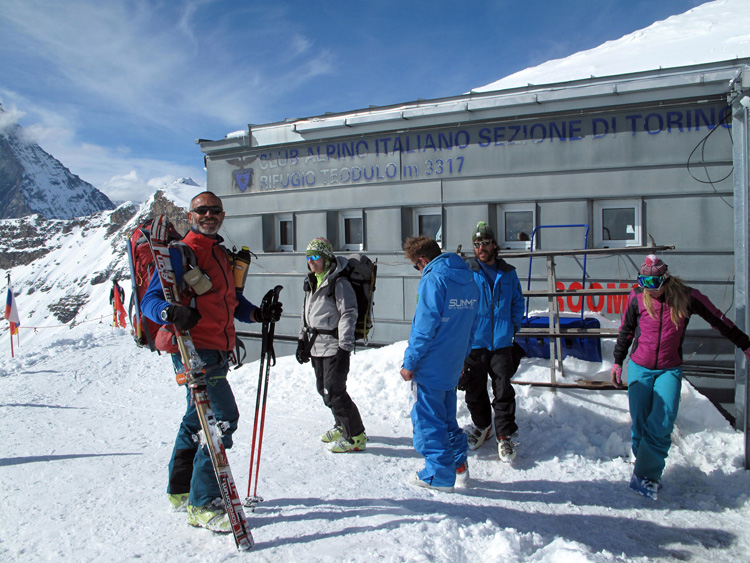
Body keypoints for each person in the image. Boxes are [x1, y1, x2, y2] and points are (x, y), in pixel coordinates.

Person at [141, 191, 282, 532]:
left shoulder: (219, 253)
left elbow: (231, 301)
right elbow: (150, 299)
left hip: (218, 351)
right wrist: (169, 312)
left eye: (214, 210)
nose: (208, 214)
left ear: (222, 215)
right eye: (201, 210)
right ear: (189, 216)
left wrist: (256, 313)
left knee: (196, 420)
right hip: (193, 350)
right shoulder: (179, 253)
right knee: (223, 419)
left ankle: (180, 490)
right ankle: (203, 503)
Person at [611, 255, 750, 501]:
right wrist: (617, 361)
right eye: (643, 282)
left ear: (665, 279)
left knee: (662, 422)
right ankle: (641, 466)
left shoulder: (687, 297)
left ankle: (646, 476)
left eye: (653, 283)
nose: (648, 289)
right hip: (640, 367)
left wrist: (745, 344)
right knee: (641, 422)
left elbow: (719, 320)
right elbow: (626, 330)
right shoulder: (636, 297)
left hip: (669, 368)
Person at [400, 236, 479, 492]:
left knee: (428, 420)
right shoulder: (468, 279)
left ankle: (437, 475)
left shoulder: (433, 279)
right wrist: (461, 359)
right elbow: (471, 326)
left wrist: (410, 362)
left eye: (416, 266)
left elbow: (424, 327)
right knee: (446, 420)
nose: (418, 271)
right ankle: (458, 467)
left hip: (430, 364)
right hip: (452, 362)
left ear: (423, 260)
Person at [459, 221, 524, 462]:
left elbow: (518, 301)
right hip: (476, 341)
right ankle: (482, 426)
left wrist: (513, 325)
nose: (480, 248)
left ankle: (504, 436)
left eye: (484, 243)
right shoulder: (468, 272)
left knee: (503, 389)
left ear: (494, 245)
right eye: (476, 244)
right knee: (474, 388)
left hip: (502, 343)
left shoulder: (508, 272)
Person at [296, 237, 367, 453]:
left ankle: (355, 435)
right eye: (308, 257)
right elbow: (305, 313)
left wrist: (345, 348)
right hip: (316, 345)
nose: (311, 261)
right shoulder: (312, 281)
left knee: (335, 391)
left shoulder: (339, 283)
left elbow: (348, 313)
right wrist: (301, 340)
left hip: (334, 347)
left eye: (315, 257)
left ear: (326, 259)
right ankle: (341, 424)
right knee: (324, 390)